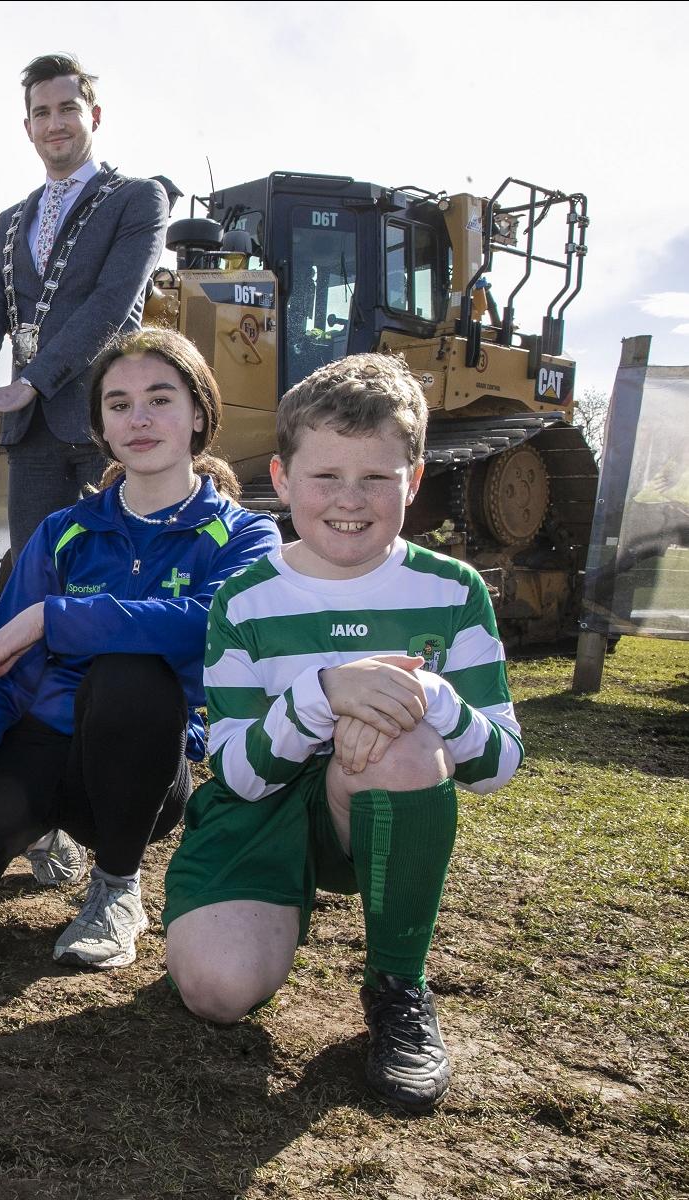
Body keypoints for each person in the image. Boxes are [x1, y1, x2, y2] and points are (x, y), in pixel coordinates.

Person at [162, 353, 525, 1114]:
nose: (348, 501)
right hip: (258, 809)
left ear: (414, 480)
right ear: (282, 477)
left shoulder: (451, 590)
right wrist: (324, 694)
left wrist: (425, 696)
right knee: (215, 993)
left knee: (401, 738)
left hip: (365, 800)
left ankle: (398, 988)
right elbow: (235, 773)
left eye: (376, 480)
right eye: (325, 477)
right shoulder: (244, 597)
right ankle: (265, 908)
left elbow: (497, 762)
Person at [0, 329, 279, 969]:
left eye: (160, 399)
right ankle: (42, 829)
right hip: (39, 749)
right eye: (118, 405)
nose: (139, 419)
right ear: (101, 428)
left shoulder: (244, 534)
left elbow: (215, 624)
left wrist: (54, 617)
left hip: (137, 765)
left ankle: (118, 886)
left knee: (129, 675)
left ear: (199, 414)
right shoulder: (64, 532)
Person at [0, 52, 168, 885]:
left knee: (105, 597)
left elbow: (112, 305)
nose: (54, 124)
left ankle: (99, 788)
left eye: (67, 108)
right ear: (27, 124)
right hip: (37, 435)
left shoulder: (135, 198)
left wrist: (27, 383)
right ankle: (30, 784)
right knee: (30, 590)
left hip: (115, 419)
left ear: (93, 115)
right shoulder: (10, 221)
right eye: (40, 112)